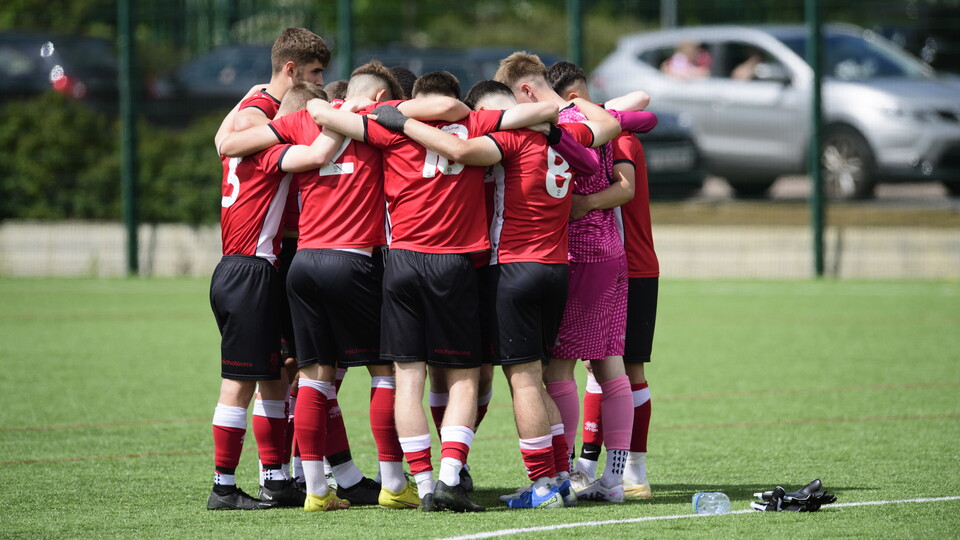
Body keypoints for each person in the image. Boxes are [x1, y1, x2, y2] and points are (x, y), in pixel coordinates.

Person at [306, 70, 560, 512]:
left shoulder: (387, 127)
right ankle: (448, 479)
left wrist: (395, 113)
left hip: (400, 261)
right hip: (454, 263)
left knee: (408, 378)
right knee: (463, 377)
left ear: (415, 100)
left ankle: (422, 485)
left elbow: (322, 111)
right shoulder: (478, 124)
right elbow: (546, 110)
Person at [370, 79, 618, 509]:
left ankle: (542, 485)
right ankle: (559, 476)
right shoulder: (568, 133)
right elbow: (614, 121)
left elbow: (462, 152)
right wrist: (558, 105)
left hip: (513, 268)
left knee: (521, 381)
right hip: (557, 267)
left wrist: (399, 121)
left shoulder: (509, 140)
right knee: (537, 379)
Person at [206, 81, 329, 511]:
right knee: (237, 385)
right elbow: (315, 155)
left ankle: (276, 480)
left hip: (236, 271)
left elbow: (222, 137)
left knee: (272, 377)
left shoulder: (234, 150)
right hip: (250, 273)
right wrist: (339, 121)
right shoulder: (269, 156)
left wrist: (246, 95)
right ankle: (223, 488)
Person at [547, 60, 659, 501]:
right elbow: (642, 106)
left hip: (620, 262)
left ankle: (629, 471)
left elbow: (626, 185)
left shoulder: (608, 131)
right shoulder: (604, 124)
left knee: (610, 368)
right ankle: (596, 471)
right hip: (613, 258)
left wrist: (585, 202)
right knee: (602, 367)